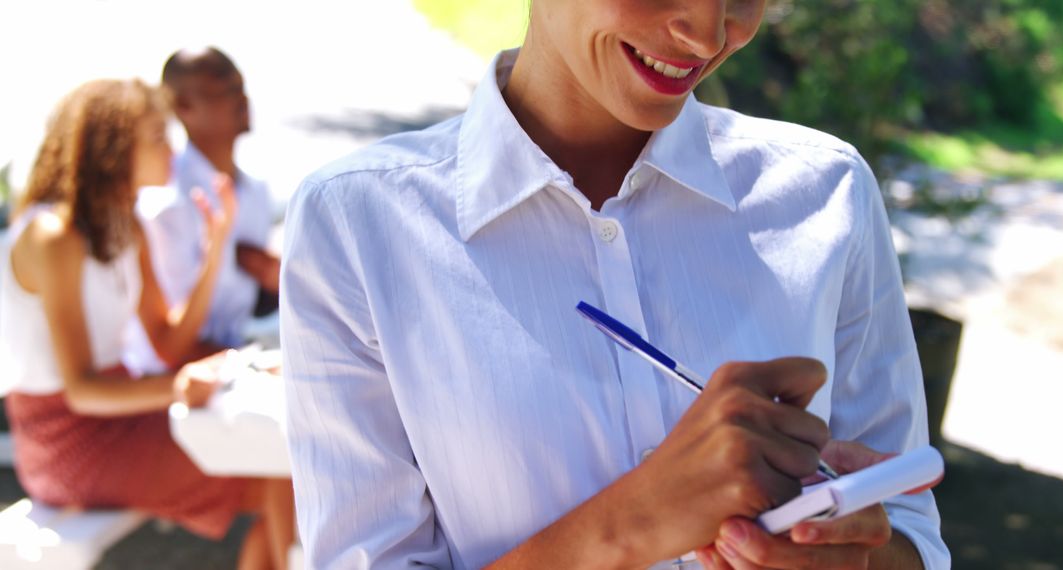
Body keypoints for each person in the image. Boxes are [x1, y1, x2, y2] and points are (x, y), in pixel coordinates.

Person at [280, 1, 949, 568]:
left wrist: (852, 552)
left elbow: (911, 528)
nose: (708, 35)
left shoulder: (828, 193)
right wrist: (634, 521)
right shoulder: (358, 224)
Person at [0, 79, 294, 570]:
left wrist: (215, 246)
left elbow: (166, 343)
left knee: (285, 469)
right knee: (277, 472)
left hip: (124, 416)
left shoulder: (125, 224)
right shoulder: (55, 237)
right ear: (114, 149)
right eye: (158, 136)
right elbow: (81, 392)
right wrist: (178, 387)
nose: (173, 150)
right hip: (67, 441)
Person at [125, 46, 278, 375]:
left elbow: (243, 308)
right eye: (225, 89)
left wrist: (275, 278)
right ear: (183, 106)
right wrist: (252, 367)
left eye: (241, 86)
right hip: (172, 384)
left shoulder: (256, 191)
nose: (242, 99)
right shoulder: (166, 202)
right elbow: (171, 345)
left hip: (230, 366)